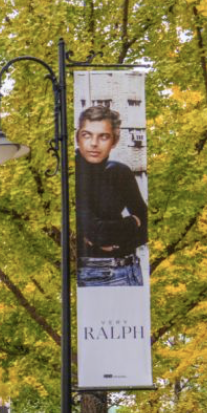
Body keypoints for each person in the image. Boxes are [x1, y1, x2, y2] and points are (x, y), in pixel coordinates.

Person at [75, 104, 148, 288]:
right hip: (92, 272)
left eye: (103, 136)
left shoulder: (120, 172)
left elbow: (145, 225)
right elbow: (97, 232)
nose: (94, 143)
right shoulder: (73, 174)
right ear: (78, 137)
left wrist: (112, 242)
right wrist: (132, 223)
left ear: (114, 141)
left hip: (131, 269)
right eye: (87, 135)